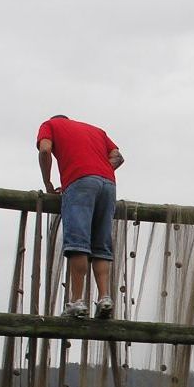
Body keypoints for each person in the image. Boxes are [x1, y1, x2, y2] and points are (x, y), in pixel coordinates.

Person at [36, 115, 124, 320]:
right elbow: (117, 157)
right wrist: (98, 168)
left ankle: (77, 302)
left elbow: (45, 150)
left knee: (78, 242)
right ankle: (105, 299)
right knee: (101, 243)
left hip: (79, 182)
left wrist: (48, 183)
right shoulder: (96, 130)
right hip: (108, 184)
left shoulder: (50, 125)